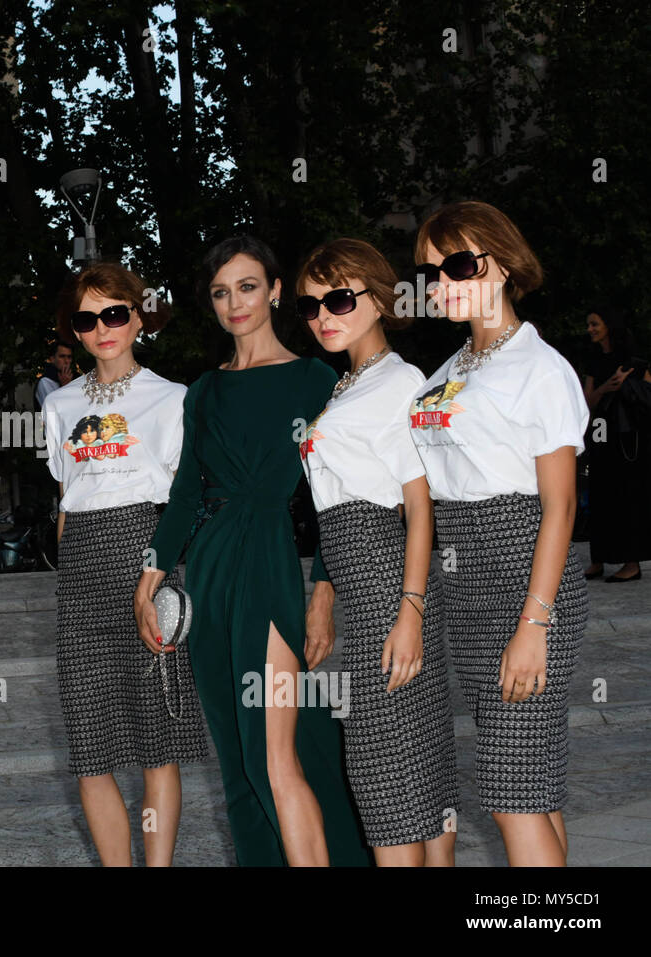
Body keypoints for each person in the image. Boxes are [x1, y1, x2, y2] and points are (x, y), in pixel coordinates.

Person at [135, 235, 370, 866]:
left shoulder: (314, 379)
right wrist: (152, 571)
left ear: (273, 290)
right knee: (237, 760)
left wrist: (322, 595)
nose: (234, 303)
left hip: (269, 565)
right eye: (220, 292)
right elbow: (185, 495)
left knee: (277, 755)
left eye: (247, 286)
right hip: (209, 571)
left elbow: (338, 499)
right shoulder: (204, 391)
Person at [408, 200, 588, 866]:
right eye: (431, 270)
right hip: (467, 583)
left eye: (457, 264)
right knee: (529, 786)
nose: (441, 282)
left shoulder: (541, 370)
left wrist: (534, 624)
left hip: (524, 577)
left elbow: (561, 508)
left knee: (511, 789)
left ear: (504, 263)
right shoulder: (446, 372)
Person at [296, 238, 458, 865]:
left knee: (387, 776)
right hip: (361, 585)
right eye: (311, 307)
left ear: (379, 299)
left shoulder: (400, 381)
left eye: (338, 299)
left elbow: (419, 507)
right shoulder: (347, 387)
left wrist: (410, 612)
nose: (323, 317)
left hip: (390, 587)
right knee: (410, 775)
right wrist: (324, 593)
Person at [42, 262, 211, 866]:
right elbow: (67, 501)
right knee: (89, 749)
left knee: (155, 744)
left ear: (138, 317)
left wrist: (160, 578)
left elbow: (185, 503)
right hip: (83, 572)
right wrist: (69, 567)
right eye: (87, 319)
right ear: (76, 331)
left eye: (115, 313)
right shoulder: (59, 405)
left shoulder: (172, 400)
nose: (103, 328)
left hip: (150, 561)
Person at [580, 306, 651, 582]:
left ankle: (631, 563)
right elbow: (587, 400)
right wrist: (608, 386)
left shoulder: (634, 359)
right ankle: (599, 559)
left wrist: (628, 383)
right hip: (601, 434)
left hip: (629, 440)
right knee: (599, 494)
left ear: (609, 325)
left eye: (595, 324)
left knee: (627, 495)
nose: (591, 330)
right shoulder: (593, 359)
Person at [35, 338, 76, 409]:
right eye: (62, 356)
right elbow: (55, 411)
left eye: (69, 357)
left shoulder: (76, 378)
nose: (66, 361)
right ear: (52, 359)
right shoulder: (45, 382)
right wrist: (65, 387)